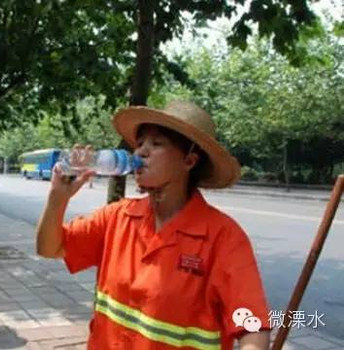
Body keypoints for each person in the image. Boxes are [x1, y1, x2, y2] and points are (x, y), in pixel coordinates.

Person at [36, 101, 271, 350]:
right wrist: (57, 198)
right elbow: (49, 248)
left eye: (156, 144)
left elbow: (253, 327)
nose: (141, 153)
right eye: (139, 144)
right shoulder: (117, 217)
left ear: (189, 161)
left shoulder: (223, 237)